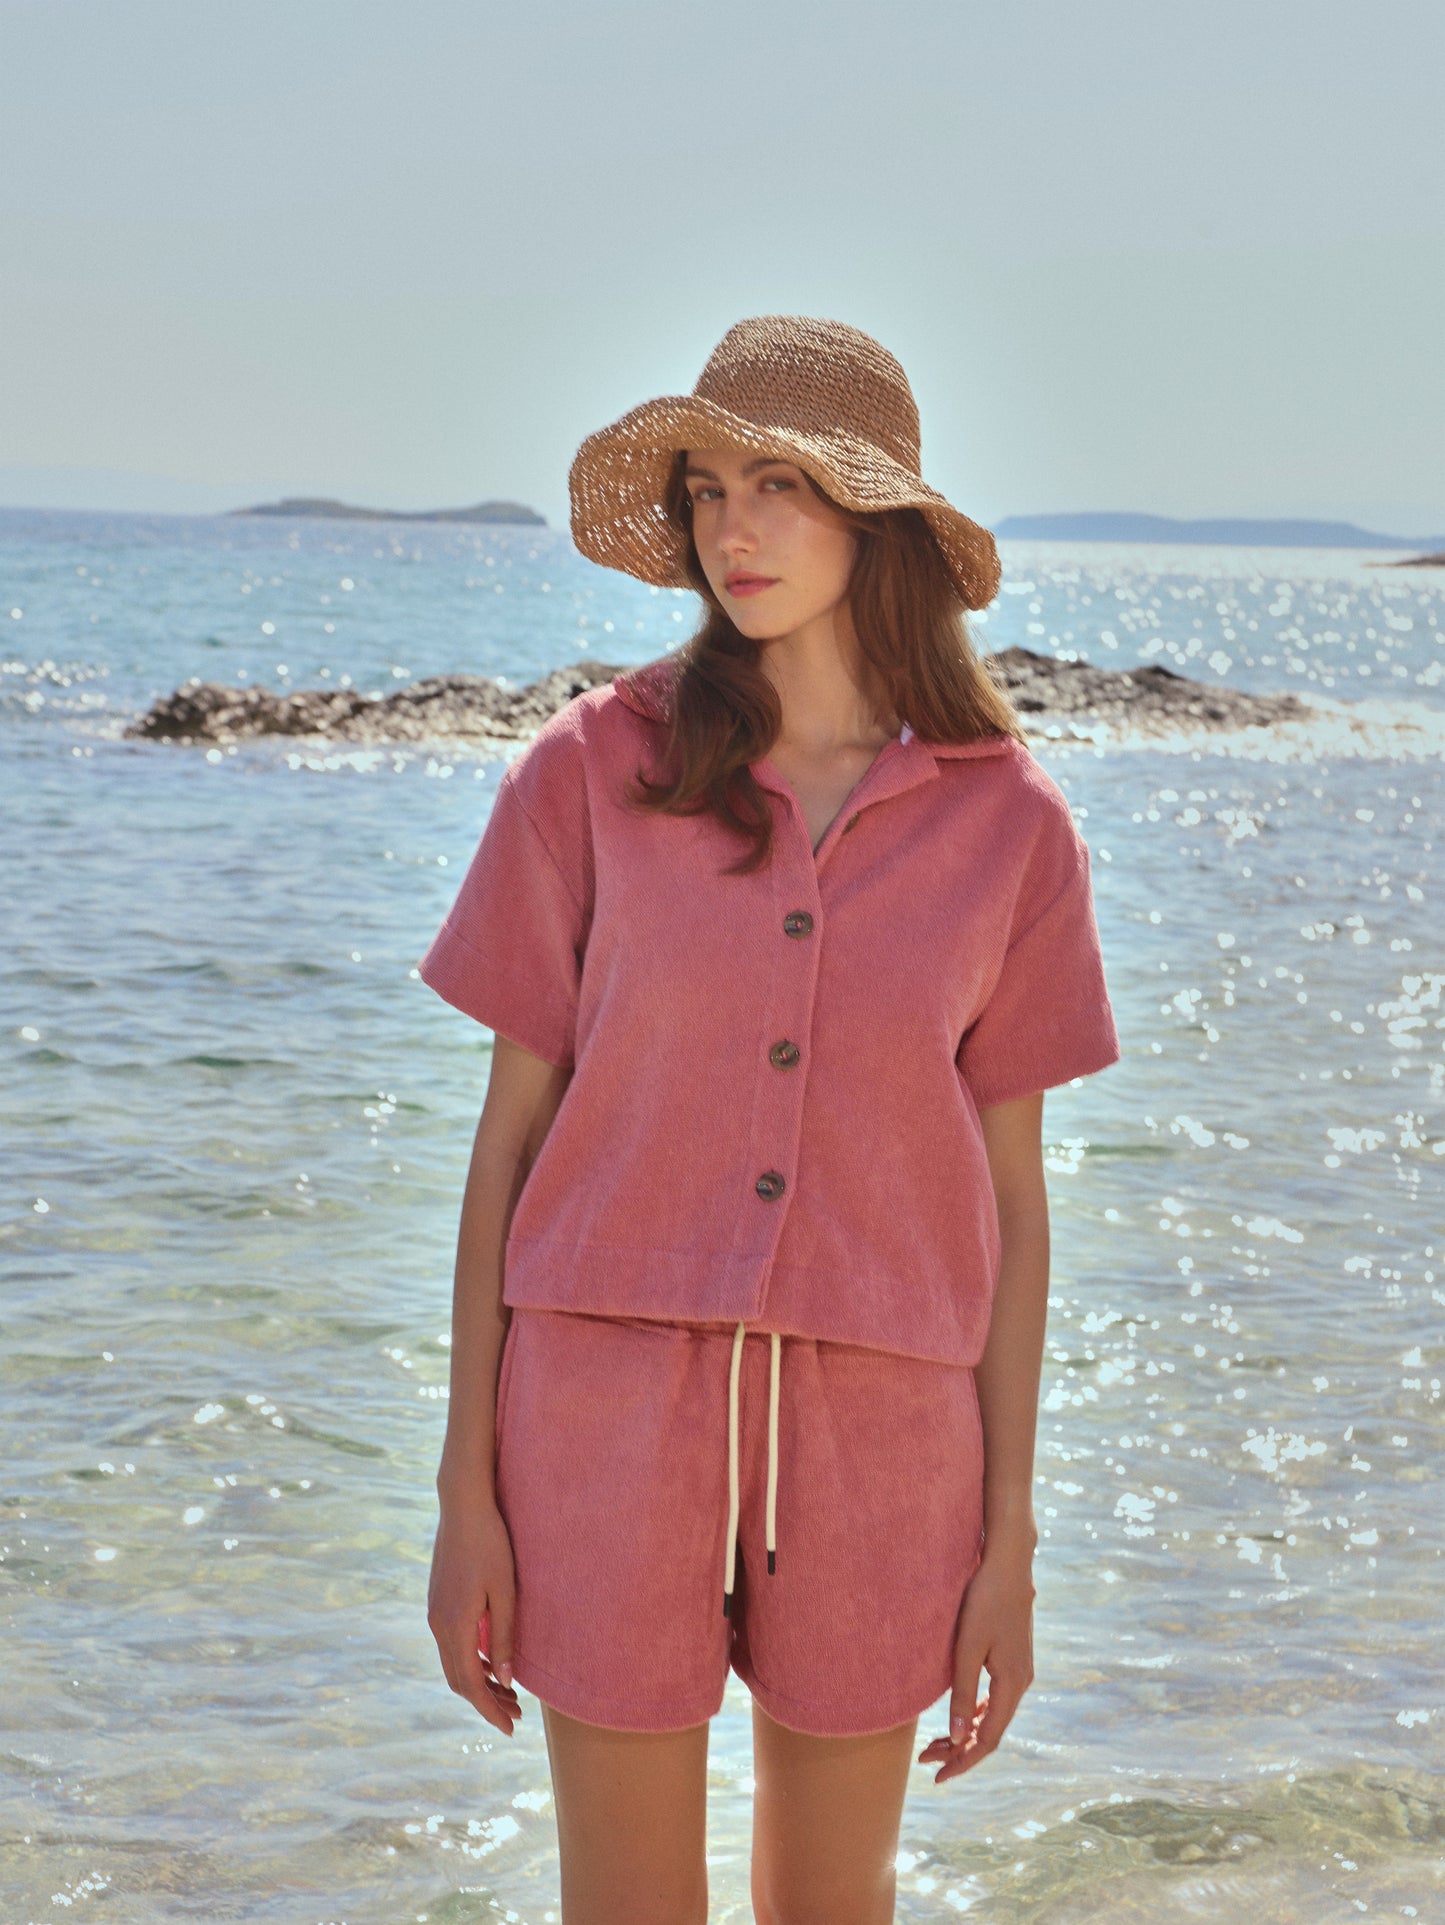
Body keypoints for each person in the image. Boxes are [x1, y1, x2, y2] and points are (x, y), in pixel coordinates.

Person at [420, 314, 1120, 1925]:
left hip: (882, 1438)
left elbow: (1011, 1213)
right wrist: (466, 1493)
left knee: (834, 1908)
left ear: (876, 518)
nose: (732, 528)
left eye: (783, 485)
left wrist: (1009, 1539)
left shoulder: (1007, 828)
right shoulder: (590, 775)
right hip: (602, 1414)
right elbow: (505, 1153)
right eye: (709, 486)